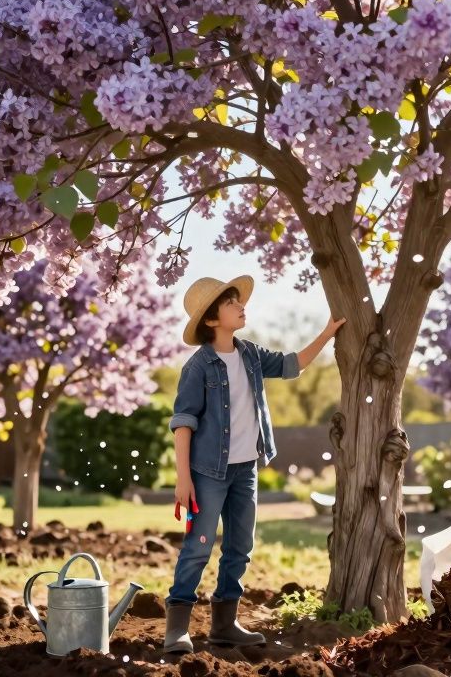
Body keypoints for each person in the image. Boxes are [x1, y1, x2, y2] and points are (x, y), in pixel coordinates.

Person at [163, 274, 345, 654]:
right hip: (206, 472)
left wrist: (328, 333)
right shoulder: (199, 367)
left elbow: (292, 365)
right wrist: (184, 479)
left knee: (239, 547)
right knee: (198, 547)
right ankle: (176, 629)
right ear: (212, 320)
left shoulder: (249, 355)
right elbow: (183, 423)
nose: (240, 306)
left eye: (237, 301)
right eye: (231, 303)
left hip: (245, 471)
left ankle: (224, 626)